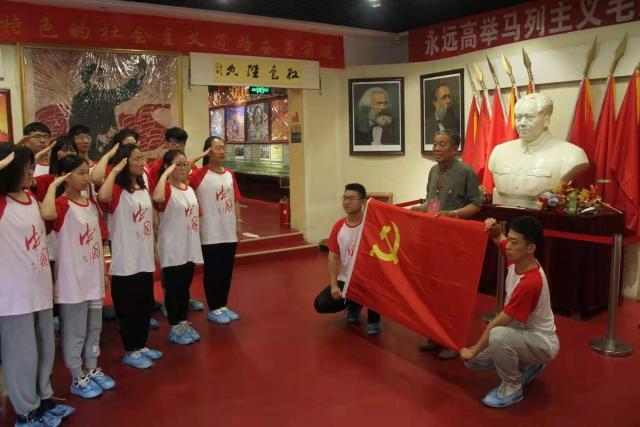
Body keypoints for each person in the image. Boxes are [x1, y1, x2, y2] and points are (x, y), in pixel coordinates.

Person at [0, 145, 75, 426]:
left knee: (44, 349)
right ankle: (26, 411)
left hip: (39, 288)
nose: (32, 171)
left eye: (32, 165)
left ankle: (43, 399)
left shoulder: (30, 197)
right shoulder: (1, 203)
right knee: (21, 355)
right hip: (13, 296)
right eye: (26, 167)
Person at [461, 216, 559, 408]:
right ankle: (529, 364)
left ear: (530, 248)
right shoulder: (516, 258)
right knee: (473, 362)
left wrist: (474, 349)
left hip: (542, 343)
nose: (508, 247)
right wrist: (494, 227)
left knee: (497, 336)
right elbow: (499, 237)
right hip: (522, 334)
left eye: (514, 242)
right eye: (510, 240)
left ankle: (512, 386)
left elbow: (499, 322)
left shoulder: (530, 282)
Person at [40, 155, 115, 399]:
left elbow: (101, 240)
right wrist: (54, 185)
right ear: (65, 176)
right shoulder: (61, 205)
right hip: (73, 281)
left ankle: (92, 366)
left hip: (93, 277)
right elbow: (46, 215)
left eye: (87, 173)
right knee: (75, 331)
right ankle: (77, 375)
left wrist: (104, 271)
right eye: (80, 173)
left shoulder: (91, 205)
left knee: (94, 327)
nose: (86, 178)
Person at [412, 129, 482, 359]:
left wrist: (453, 215)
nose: (437, 148)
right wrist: (420, 209)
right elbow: (432, 203)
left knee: (452, 293)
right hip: (433, 240)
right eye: (435, 144)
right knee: (433, 290)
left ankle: (454, 342)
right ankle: (435, 335)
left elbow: (476, 205)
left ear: (454, 149)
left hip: (455, 241)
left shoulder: (466, 172)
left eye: (442, 144)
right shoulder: (433, 171)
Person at [97, 143, 162, 369]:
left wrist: (154, 248)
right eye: (136, 158)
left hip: (144, 257)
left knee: (145, 304)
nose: (142, 162)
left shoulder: (143, 188)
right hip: (125, 260)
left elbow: (149, 222)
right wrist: (115, 170)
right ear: (124, 162)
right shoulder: (116, 189)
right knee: (128, 307)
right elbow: (102, 196)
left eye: (142, 157)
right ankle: (131, 350)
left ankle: (141, 345)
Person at [488, 92, 589, 208]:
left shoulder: (571, 155)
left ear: (546, 120)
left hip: (542, 217)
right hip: (500, 216)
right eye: (518, 117)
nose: (522, 123)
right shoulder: (499, 151)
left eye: (529, 117)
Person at [314, 183, 382, 335]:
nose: (346, 202)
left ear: (362, 201)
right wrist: (334, 285)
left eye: (351, 198)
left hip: (370, 283)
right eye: (344, 198)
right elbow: (333, 256)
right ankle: (355, 303)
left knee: (376, 288)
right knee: (321, 304)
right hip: (347, 281)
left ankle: (374, 318)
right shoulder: (339, 226)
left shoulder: (372, 227)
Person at [189, 136, 242, 324]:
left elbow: (235, 199)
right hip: (210, 231)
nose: (222, 151)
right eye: (217, 148)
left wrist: (238, 222)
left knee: (226, 270)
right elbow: (179, 181)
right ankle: (213, 307)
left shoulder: (229, 174)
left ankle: (223, 305)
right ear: (208, 151)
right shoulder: (198, 175)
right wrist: (196, 158)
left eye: (223, 148)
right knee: (213, 270)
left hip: (228, 229)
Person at [153, 149, 204, 344]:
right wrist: (165, 174)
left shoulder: (188, 188)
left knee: (184, 288)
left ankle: (183, 322)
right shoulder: (166, 189)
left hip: (189, 245)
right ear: (167, 166)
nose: (183, 168)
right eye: (177, 164)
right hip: (173, 247)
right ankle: (175, 327)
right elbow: (157, 198)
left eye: (185, 164)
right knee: (174, 289)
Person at [68, 59, 147, 160]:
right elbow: (74, 124)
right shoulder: (79, 99)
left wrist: (139, 75)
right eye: (96, 77)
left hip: (108, 145)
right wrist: (95, 136)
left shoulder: (107, 96)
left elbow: (126, 90)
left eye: (101, 77)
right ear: (87, 79)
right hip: (88, 147)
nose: (99, 80)